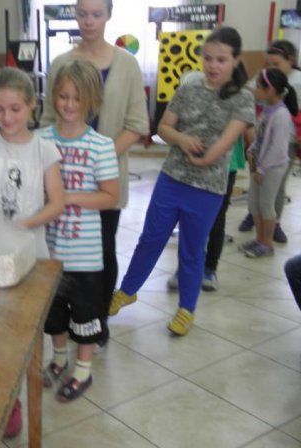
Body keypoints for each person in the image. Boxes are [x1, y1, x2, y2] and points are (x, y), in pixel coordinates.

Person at [109, 27, 255, 336]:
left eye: (221, 60)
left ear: (235, 60)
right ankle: (127, 290)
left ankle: (186, 309)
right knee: (150, 238)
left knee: (191, 250)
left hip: (208, 188)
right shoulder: (189, 87)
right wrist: (182, 139)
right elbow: (163, 128)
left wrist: (203, 158)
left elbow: (225, 143)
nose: (213, 65)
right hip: (172, 178)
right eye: (208, 58)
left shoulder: (242, 98)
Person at [0, 66, 65, 437]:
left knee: (24, 331)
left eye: (15, 109)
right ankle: (4, 399)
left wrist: (21, 226)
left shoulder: (44, 149)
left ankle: (22, 392)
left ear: (32, 106)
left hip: (31, 253)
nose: (6, 117)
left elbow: (57, 203)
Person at [40, 0, 149, 343]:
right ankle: (64, 320)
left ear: (108, 16)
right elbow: (47, 120)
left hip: (105, 181)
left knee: (102, 251)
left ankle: (96, 322)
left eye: (96, 14)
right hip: (63, 178)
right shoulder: (61, 63)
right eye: (83, 14)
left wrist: (97, 157)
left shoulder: (126, 65)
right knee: (62, 250)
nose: (88, 21)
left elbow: (137, 124)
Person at [38, 60, 119, 402]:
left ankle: (83, 370)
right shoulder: (40, 140)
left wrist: (67, 197)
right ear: (53, 96)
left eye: (77, 98)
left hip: (85, 255)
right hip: (47, 252)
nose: (69, 105)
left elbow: (110, 196)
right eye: (63, 96)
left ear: (91, 101)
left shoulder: (101, 145)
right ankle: (59, 359)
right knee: (53, 314)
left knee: (85, 316)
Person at [167, 70, 246, 292]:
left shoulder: (237, 102)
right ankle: (185, 268)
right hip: (193, 167)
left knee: (216, 219)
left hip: (224, 171)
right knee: (190, 219)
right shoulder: (198, 97)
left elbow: (245, 135)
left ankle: (210, 269)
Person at [238, 40, 301, 242]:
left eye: (277, 64)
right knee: (257, 187)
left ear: (290, 60)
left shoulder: (297, 81)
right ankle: (255, 215)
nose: (272, 67)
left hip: (286, 143)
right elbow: (251, 93)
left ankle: (274, 225)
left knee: (276, 187)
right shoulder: (265, 78)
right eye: (269, 64)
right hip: (262, 141)